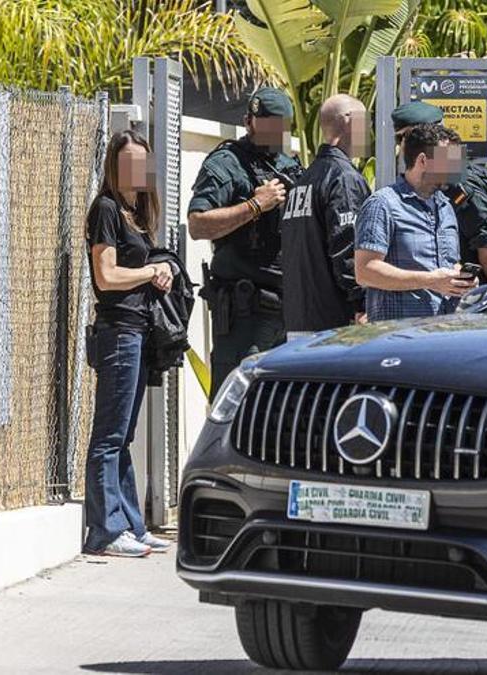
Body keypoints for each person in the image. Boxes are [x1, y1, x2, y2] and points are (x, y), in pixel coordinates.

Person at [82, 130, 174, 557]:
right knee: (109, 434)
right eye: (128, 162)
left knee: (124, 434)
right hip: (117, 331)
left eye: (142, 162)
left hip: (138, 330)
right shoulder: (106, 209)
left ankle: (132, 524)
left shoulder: (136, 211)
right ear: (113, 166)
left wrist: (161, 270)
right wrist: (149, 273)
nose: (136, 171)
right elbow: (107, 276)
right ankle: (105, 530)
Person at [188, 87, 303, 398]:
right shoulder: (227, 164)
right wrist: (254, 206)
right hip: (245, 316)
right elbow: (197, 224)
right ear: (249, 122)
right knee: (235, 406)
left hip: (288, 313)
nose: (276, 132)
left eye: (282, 125)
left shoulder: (290, 164)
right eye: (269, 124)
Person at [355, 124, 475, 322]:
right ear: (423, 161)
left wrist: (460, 279)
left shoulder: (446, 206)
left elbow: (446, 263)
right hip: (399, 337)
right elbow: (365, 271)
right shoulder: (383, 204)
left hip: (444, 332)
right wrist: (432, 281)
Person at [391, 102, 487, 285]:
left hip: (466, 294)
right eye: (399, 139)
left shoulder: (456, 181)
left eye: (409, 137)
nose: (404, 146)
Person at [280, 94, 371, 336]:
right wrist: (361, 304)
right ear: (350, 121)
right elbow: (348, 248)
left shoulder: (304, 180)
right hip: (336, 326)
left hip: (299, 320)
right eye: (367, 121)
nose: (369, 129)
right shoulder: (343, 178)